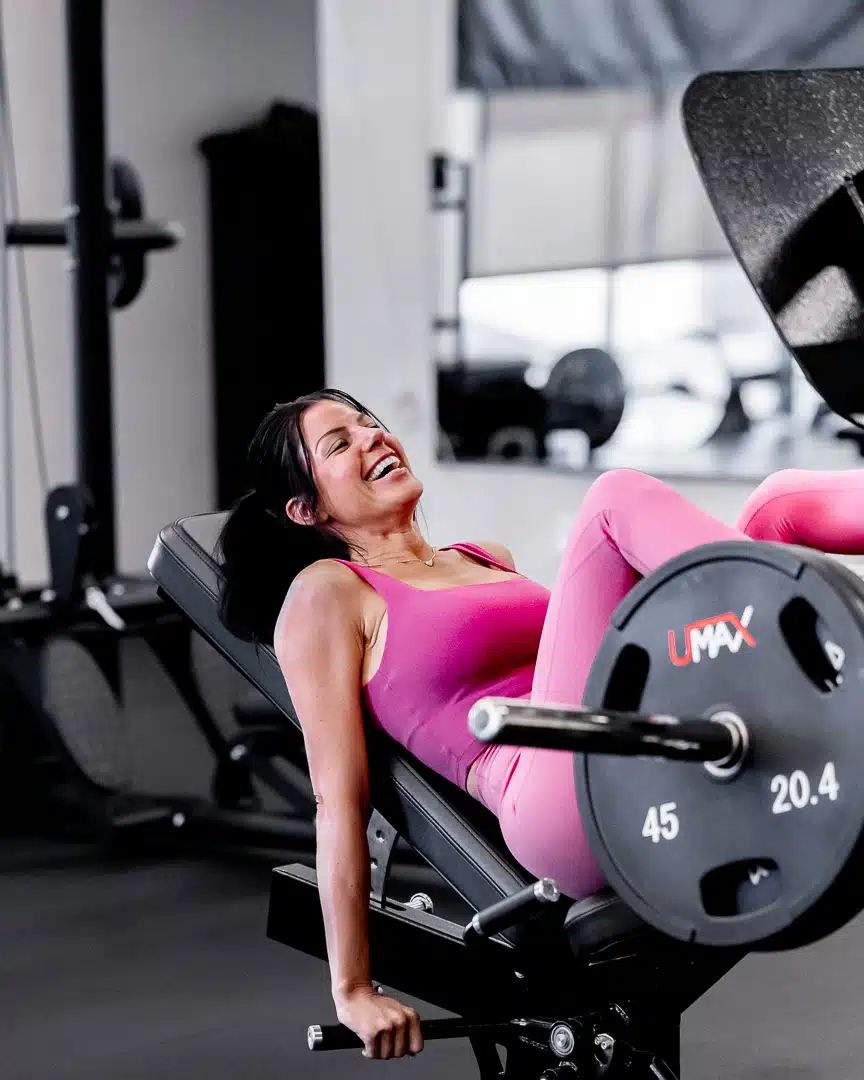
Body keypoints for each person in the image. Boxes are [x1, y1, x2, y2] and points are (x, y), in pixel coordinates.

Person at [218, 387, 864, 1061]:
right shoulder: (328, 594)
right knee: (611, 501)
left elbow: (585, 661)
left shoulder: (484, 556)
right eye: (339, 445)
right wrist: (352, 987)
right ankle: (803, 627)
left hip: (639, 751)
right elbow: (336, 800)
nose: (373, 438)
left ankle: (793, 623)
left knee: (777, 505)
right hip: (554, 801)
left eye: (368, 424)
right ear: (308, 508)